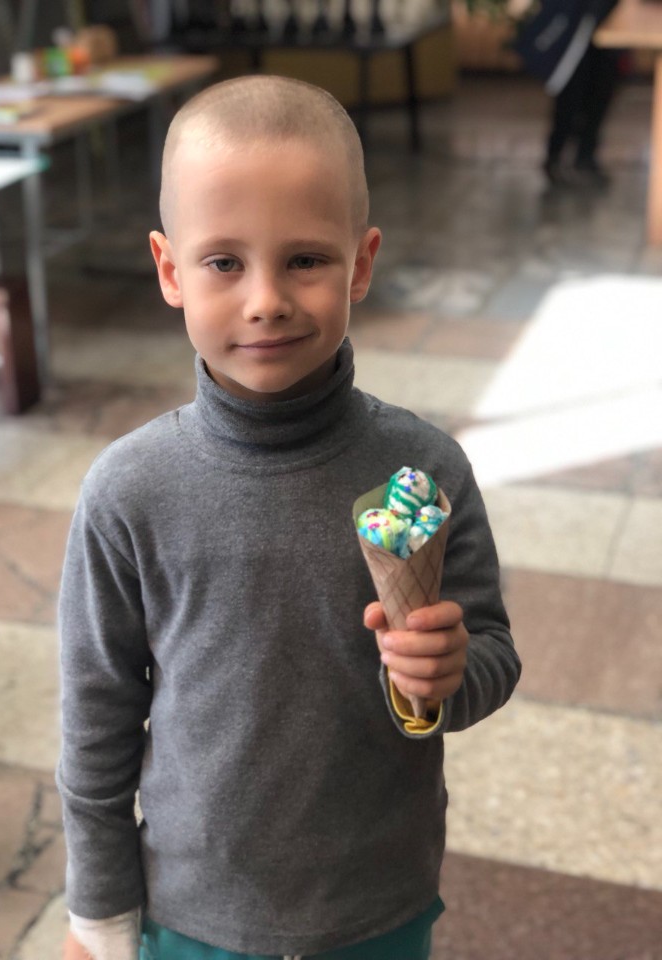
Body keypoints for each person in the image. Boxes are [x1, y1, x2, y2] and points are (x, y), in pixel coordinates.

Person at [58, 75, 521, 960]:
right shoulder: (128, 492)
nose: (266, 298)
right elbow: (97, 717)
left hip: (378, 900)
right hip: (192, 909)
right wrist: (101, 915)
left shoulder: (421, 470)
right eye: (223, 262)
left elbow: (492, 652)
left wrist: (447, 674)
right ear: (169, 269)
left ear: (361, 262)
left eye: (305, 259)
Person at [514, 0, 621, 186]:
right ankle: (555, 158)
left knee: (599, 95)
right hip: (575, 26)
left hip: (603, 28)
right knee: (570, 98)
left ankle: (584, 158)